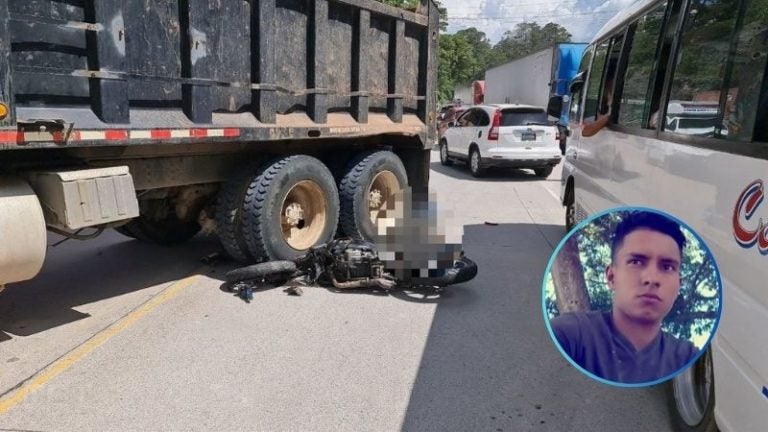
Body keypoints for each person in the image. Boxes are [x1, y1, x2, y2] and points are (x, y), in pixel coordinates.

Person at [550, 211, 699, 384]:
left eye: (667, 267)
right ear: (611, 277)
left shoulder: (686, 357)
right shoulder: (571, 334)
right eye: (636, 262)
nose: (651, 278)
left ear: (678, 285)